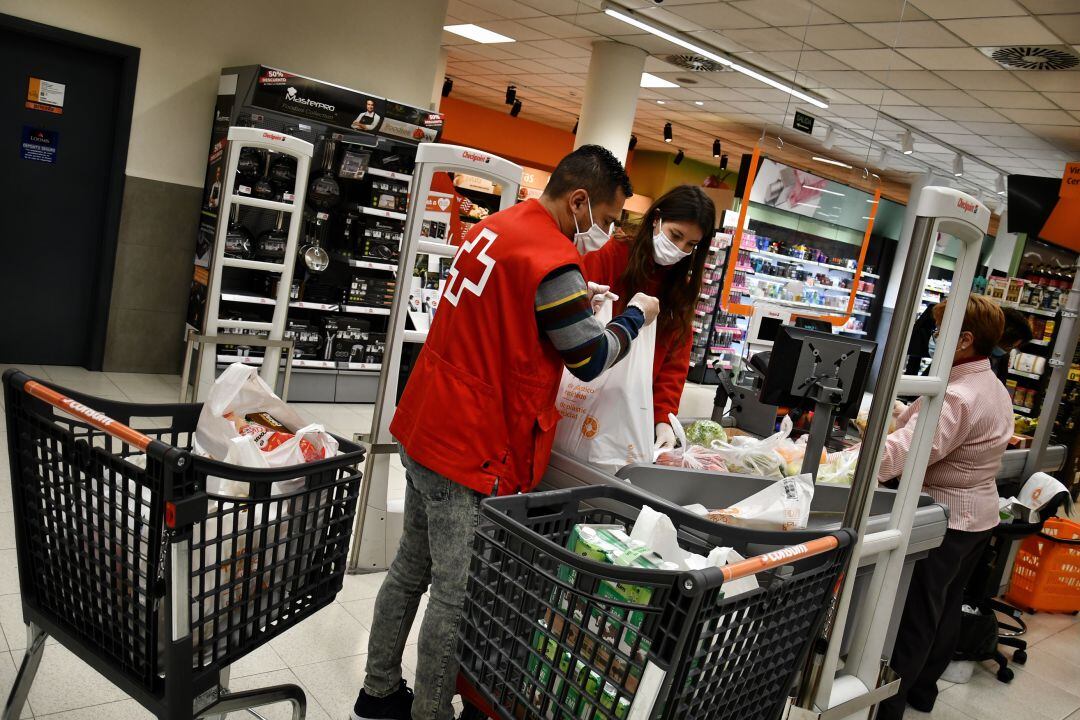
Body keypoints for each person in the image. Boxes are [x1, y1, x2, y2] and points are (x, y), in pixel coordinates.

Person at [349, 145, 660, 720]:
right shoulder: (551, 257)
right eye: (609, 220)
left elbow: (507, 318)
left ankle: (378, 692)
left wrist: (576, 307)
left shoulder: (496, 226)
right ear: (580, 200)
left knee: (410, 570)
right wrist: (634, 319)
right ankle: (432, 713)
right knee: (456, 591)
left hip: (427, 422)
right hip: (471, 444)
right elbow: (589, 359)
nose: (607, 233)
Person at [875, 296, 1014, 720]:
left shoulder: (956, 395)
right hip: (976, 518)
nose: (935, 337)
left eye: (940, 330)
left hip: (946, 520)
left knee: (916, 615)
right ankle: (921, 692)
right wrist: (909, 415)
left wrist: (854, 457)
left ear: (965, 339)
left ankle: (888, 706)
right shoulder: (989, 383)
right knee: (944, 606)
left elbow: (896, 459)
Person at [581, 185, 715, 450]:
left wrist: (664, 417)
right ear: (656, 219)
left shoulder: (680, 287)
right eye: (675, 235)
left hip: (635, 408)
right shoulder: (611, 255)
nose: (679, 249)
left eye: (691, 244)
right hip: (585, 392)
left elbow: (674, 359)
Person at [990, 307, 1033, 382]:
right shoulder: (972, 352)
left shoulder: (1003, 358)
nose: (1009, 351)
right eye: (1009, 347)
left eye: (1013, 347)